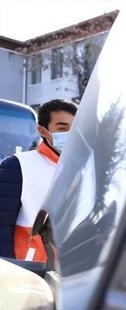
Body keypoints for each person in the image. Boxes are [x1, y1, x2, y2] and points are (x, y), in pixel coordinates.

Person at [0, 99, 77, 261]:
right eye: (63, 128)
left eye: (76, 128)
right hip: (29, 273)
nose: (71, 134)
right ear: (42, 131)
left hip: (69, 272)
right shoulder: (17, 165)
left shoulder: (82, 169)